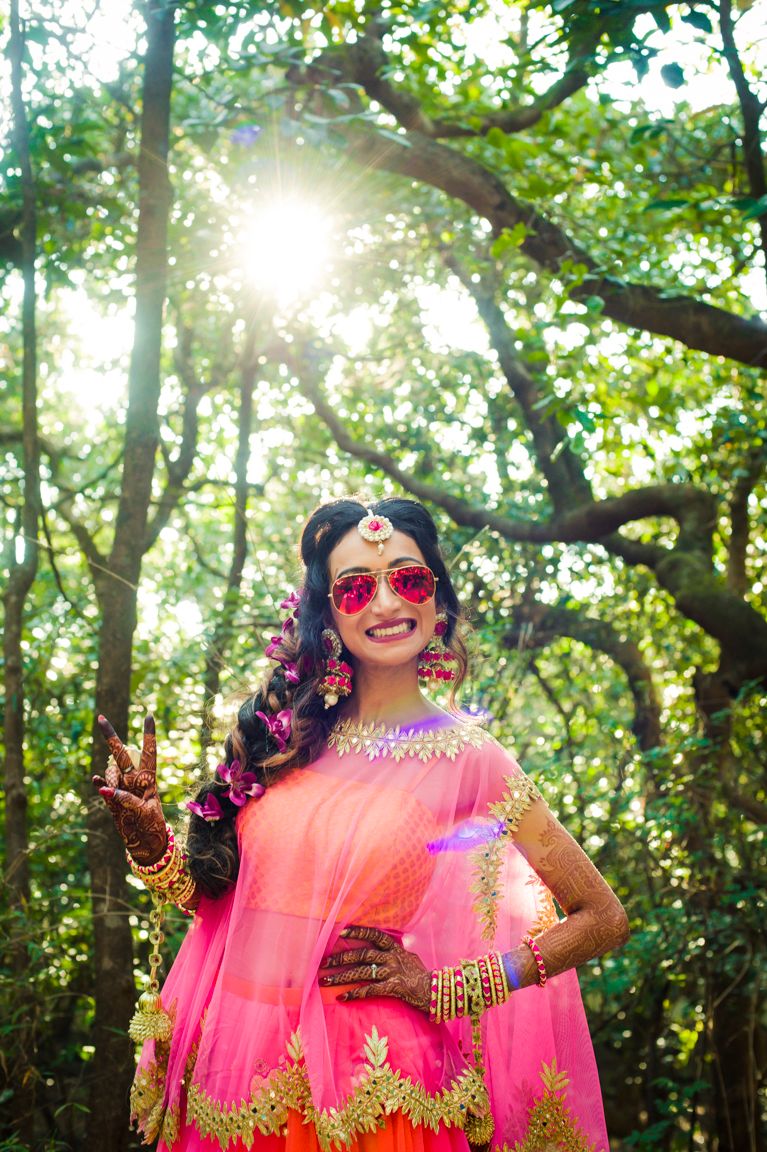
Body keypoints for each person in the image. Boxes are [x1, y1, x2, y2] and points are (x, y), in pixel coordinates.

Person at [95, 496, 629, 1152]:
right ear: (328, 611)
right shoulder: (284, 733)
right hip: (232, 1074)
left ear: (437, 598)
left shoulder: (471, 758)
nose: (384, 604)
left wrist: (451, 989)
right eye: (354, 588)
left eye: (407, 579)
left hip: (376, 1090)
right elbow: (222, 909)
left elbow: (601, 917)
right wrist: (151, 843)